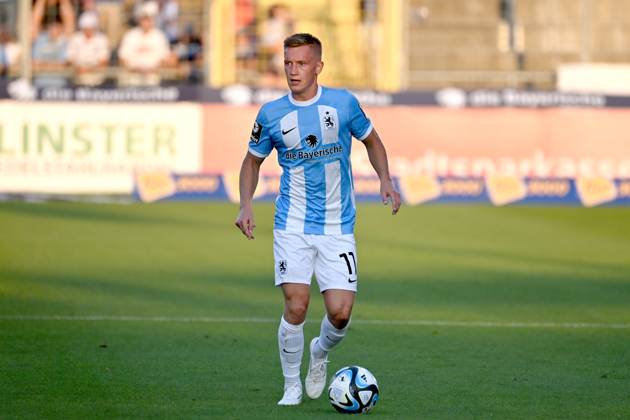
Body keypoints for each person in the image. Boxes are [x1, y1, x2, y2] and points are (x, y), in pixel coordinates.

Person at [234, 33, 401, 406]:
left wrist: (385, 179)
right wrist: (246, 203)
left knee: (340, 315)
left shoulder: (343, 104)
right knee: (296, 305)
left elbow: (372, 140)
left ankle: (320, 352)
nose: (293, 71)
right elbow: (251, 161)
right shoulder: (271, 114)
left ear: (318, 66)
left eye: (301, 63)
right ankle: (291, 385)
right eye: (288, 63)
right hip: (291, 223)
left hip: (338, 225)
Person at [117, 1, 173, 86]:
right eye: (144, 19)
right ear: (140, 20)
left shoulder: (160, 36)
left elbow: (166, 59)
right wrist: (134, 69)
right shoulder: (130, 35)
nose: (146, 22)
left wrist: (152, 70)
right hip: (132, 75)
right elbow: (122, 58)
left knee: (152, 81)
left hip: (153, 76)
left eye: (148, 19)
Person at [66, 12, 110, 86]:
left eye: (90, 28)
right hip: (77, 79)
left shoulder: (102, 39)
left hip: (97, 80)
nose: (88, 31)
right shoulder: (75, 38)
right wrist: (78, 68)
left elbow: (104, 61)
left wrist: (88, 70)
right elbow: (70, 59)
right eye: (86, 28)